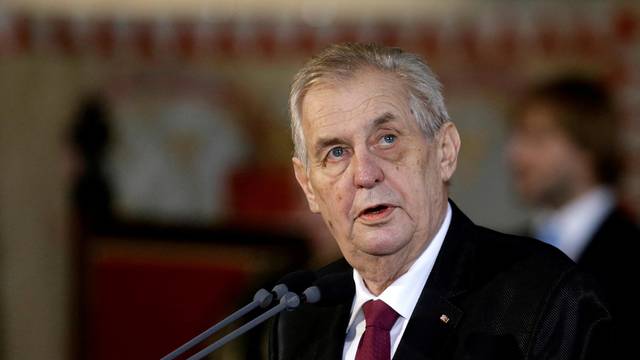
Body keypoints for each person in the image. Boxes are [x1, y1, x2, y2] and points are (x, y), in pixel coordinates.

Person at [269, 43, 611, 360]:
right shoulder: (301, 316)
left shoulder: (547, 300)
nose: (364, 174)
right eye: (337, 152)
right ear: (308, 186)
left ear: (445, 151)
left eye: (387, 139)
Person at [507, 75, 639, 353]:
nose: (516, 154)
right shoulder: (508, 253)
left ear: (586, 147)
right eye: (517, 137)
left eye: (537, 138)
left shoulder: (631, 253)